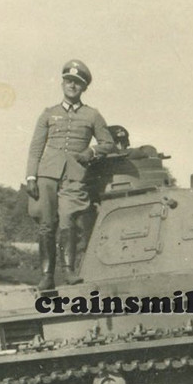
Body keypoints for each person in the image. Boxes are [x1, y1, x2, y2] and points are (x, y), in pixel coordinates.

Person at [25, 59, 114, 291]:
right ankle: (46, 276)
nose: (72, 86)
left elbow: (108, 143)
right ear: (62, 83)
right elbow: (36, 147)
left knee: (68, 221)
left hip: (74, 176)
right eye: (69, 81)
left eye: (77, 83)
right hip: (46, 175)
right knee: (46, 225)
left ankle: (68, 271)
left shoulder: (92, 115)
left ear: (84, 87)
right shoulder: (48, 114)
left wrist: (90, 152)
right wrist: (31, 177)